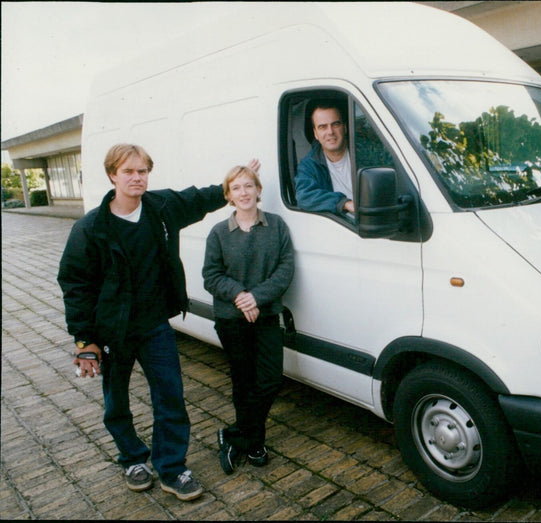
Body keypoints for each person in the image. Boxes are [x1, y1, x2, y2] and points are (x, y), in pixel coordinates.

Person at [57, 143, 259, 501]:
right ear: (112, 176)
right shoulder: (90, 228)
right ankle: (133, 459)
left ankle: (172, 468)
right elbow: (75, 285)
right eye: (128, 172)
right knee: (116, 401)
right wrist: (84, 341)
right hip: (112, 331)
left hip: (154, 326)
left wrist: (232, 185)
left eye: (143, 171)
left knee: (171, 397)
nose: (137, 178)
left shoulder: (161, 208)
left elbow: (197, 199)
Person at [202, 165, 294, 474]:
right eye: (236, 188)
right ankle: (255, 443)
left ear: (258, 190)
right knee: (244, 382)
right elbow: (211, 276)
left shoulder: (277, 226)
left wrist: (257, 297)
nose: (243, 192)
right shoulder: (218, 233)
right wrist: (241, 296)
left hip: (266, 315)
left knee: (269, 380)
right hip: (231, 318)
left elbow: (285, 269)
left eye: (248, 186)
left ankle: (235, 435)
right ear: (228, 195)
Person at [294, 99, 356, 214]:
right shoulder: (309, 165)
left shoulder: (365, 152)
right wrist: (344, 203)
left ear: (345, 127)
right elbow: (303, 197)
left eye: (335, 124)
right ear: (315, 134)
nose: (330, 132)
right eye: (323, 127)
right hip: (342, 226)